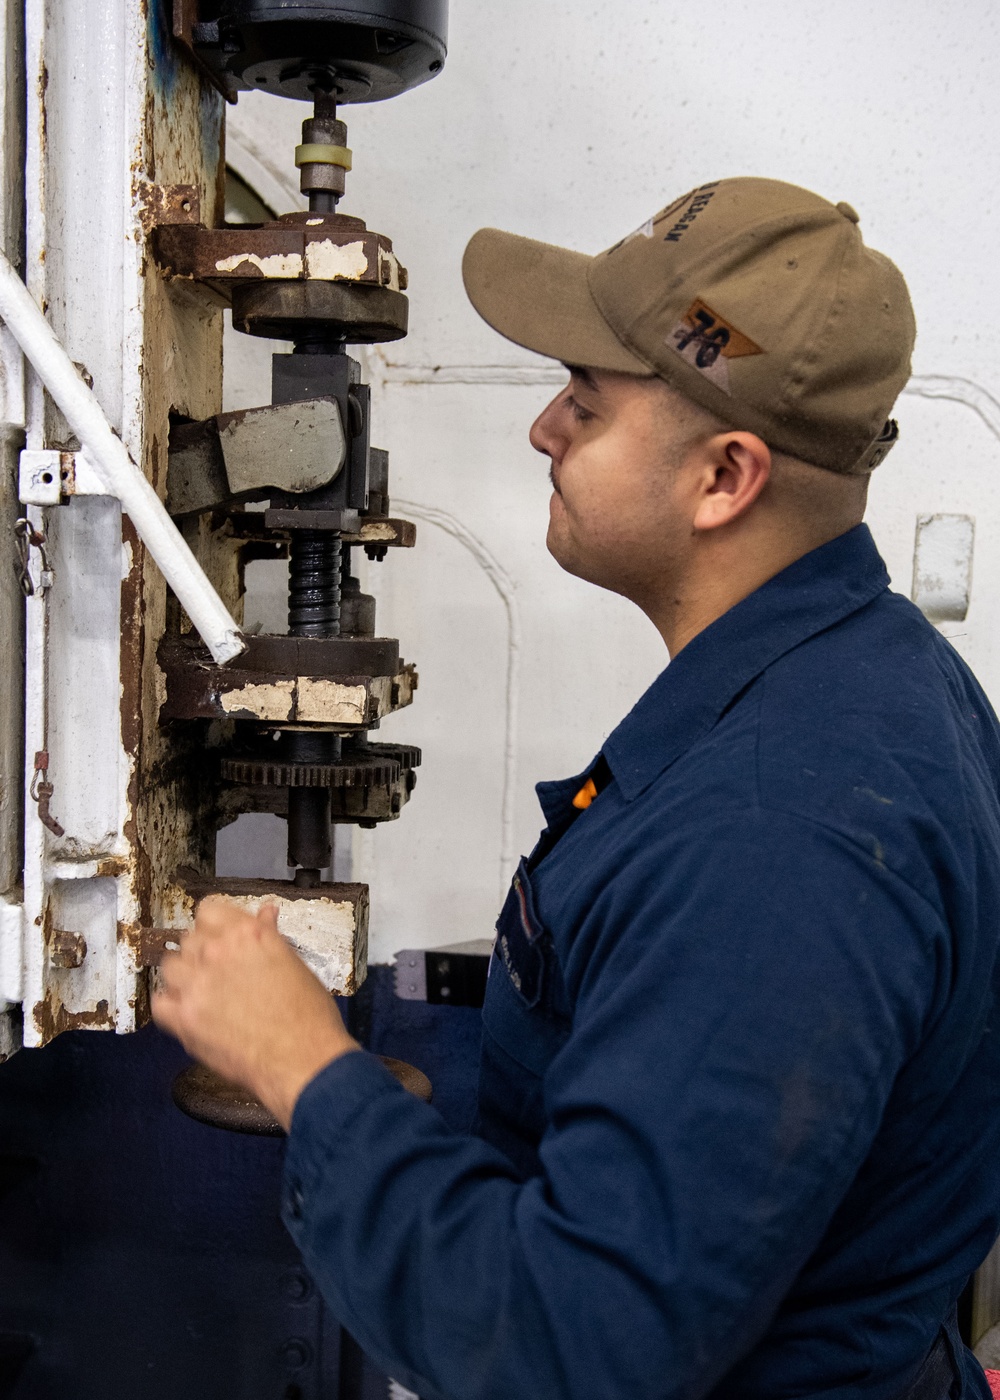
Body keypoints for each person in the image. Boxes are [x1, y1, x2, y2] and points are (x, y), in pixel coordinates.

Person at [152, 177, 1000, 1400]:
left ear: (725, 476)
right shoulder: (872, 679)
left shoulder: (776, 837)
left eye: (587, 406)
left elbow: (577, 1344)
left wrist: (300, 1064)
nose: (544, 426)